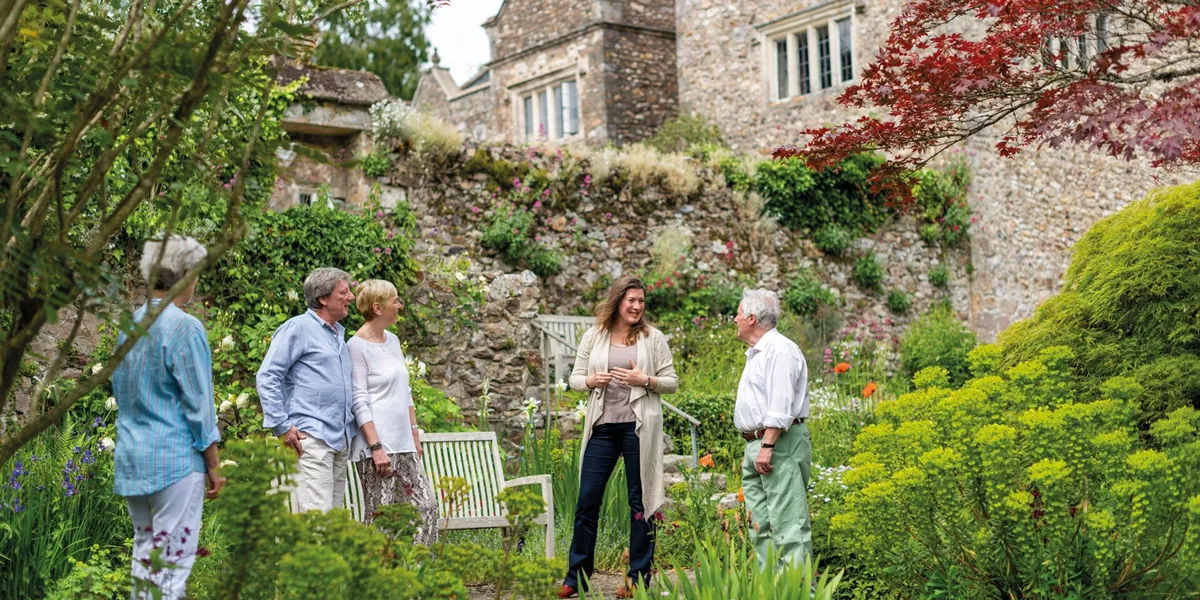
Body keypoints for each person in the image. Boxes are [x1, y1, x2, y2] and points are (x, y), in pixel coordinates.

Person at [113, 235, 224, 600]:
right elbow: (199, 405)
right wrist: (214, 464)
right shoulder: (185, 327)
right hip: (175, 461)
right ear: (185, 275)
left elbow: (121, 391)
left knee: (146, 559)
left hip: (133, 457)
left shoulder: (130, 325)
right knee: (172, 565)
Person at [559, 276, 679, 599]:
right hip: (603, 427)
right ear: (618, 301)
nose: (637, 306)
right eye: (631, 301)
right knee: (587, 501)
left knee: (640, 505)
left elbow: (672, 381)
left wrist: (646, 379)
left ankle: (636, 581)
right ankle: (576, 578)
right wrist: (590, 381)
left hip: (638, 429)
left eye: (641, 301)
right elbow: (574, 379)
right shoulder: (594, 336)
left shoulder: (653, 338)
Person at [257, 267, 356, 513]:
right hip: (311, 438)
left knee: (331, 520)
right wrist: (281, 425)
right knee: (318, 520)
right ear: (323, 298)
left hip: (338, 439)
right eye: (344, 292)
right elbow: (268, 375)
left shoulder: (337, 334)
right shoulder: (298, 328)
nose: (351, 297)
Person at [347, 279, 438, 543]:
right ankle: (377, 580)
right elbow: (358, 400)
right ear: (377, 307)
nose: (400, 305)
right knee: (382, 517)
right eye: (395, 300)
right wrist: (376, 447)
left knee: (426, 506)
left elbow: (405, 391)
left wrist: (415, 435)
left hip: (404, 443)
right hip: (377, 447)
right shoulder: (356, 346)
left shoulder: (394, 340)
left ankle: (417, 574)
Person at [732, 288, 811, 572]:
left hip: (778, 444)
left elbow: (780, 404)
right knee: (760, 526)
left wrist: (767, 446)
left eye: (738, 314)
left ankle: (798, 593)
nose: (735, 319)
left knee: (788, 524)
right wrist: (755, 446)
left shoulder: (779, 350)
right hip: (759, 444)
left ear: (751, 318)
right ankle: (771, 588)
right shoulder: (757, 353)